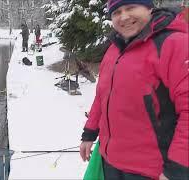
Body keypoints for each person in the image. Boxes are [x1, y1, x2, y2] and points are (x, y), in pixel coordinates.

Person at [79, 0, 188, 179]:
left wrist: (177, 169)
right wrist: (89, 134)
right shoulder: (114, 49)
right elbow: (102, 96)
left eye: (131, 8)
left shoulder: (174, 43)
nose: (124, 17)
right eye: (116, 12)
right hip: (110, 163)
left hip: (152, 170)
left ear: (149, 7)